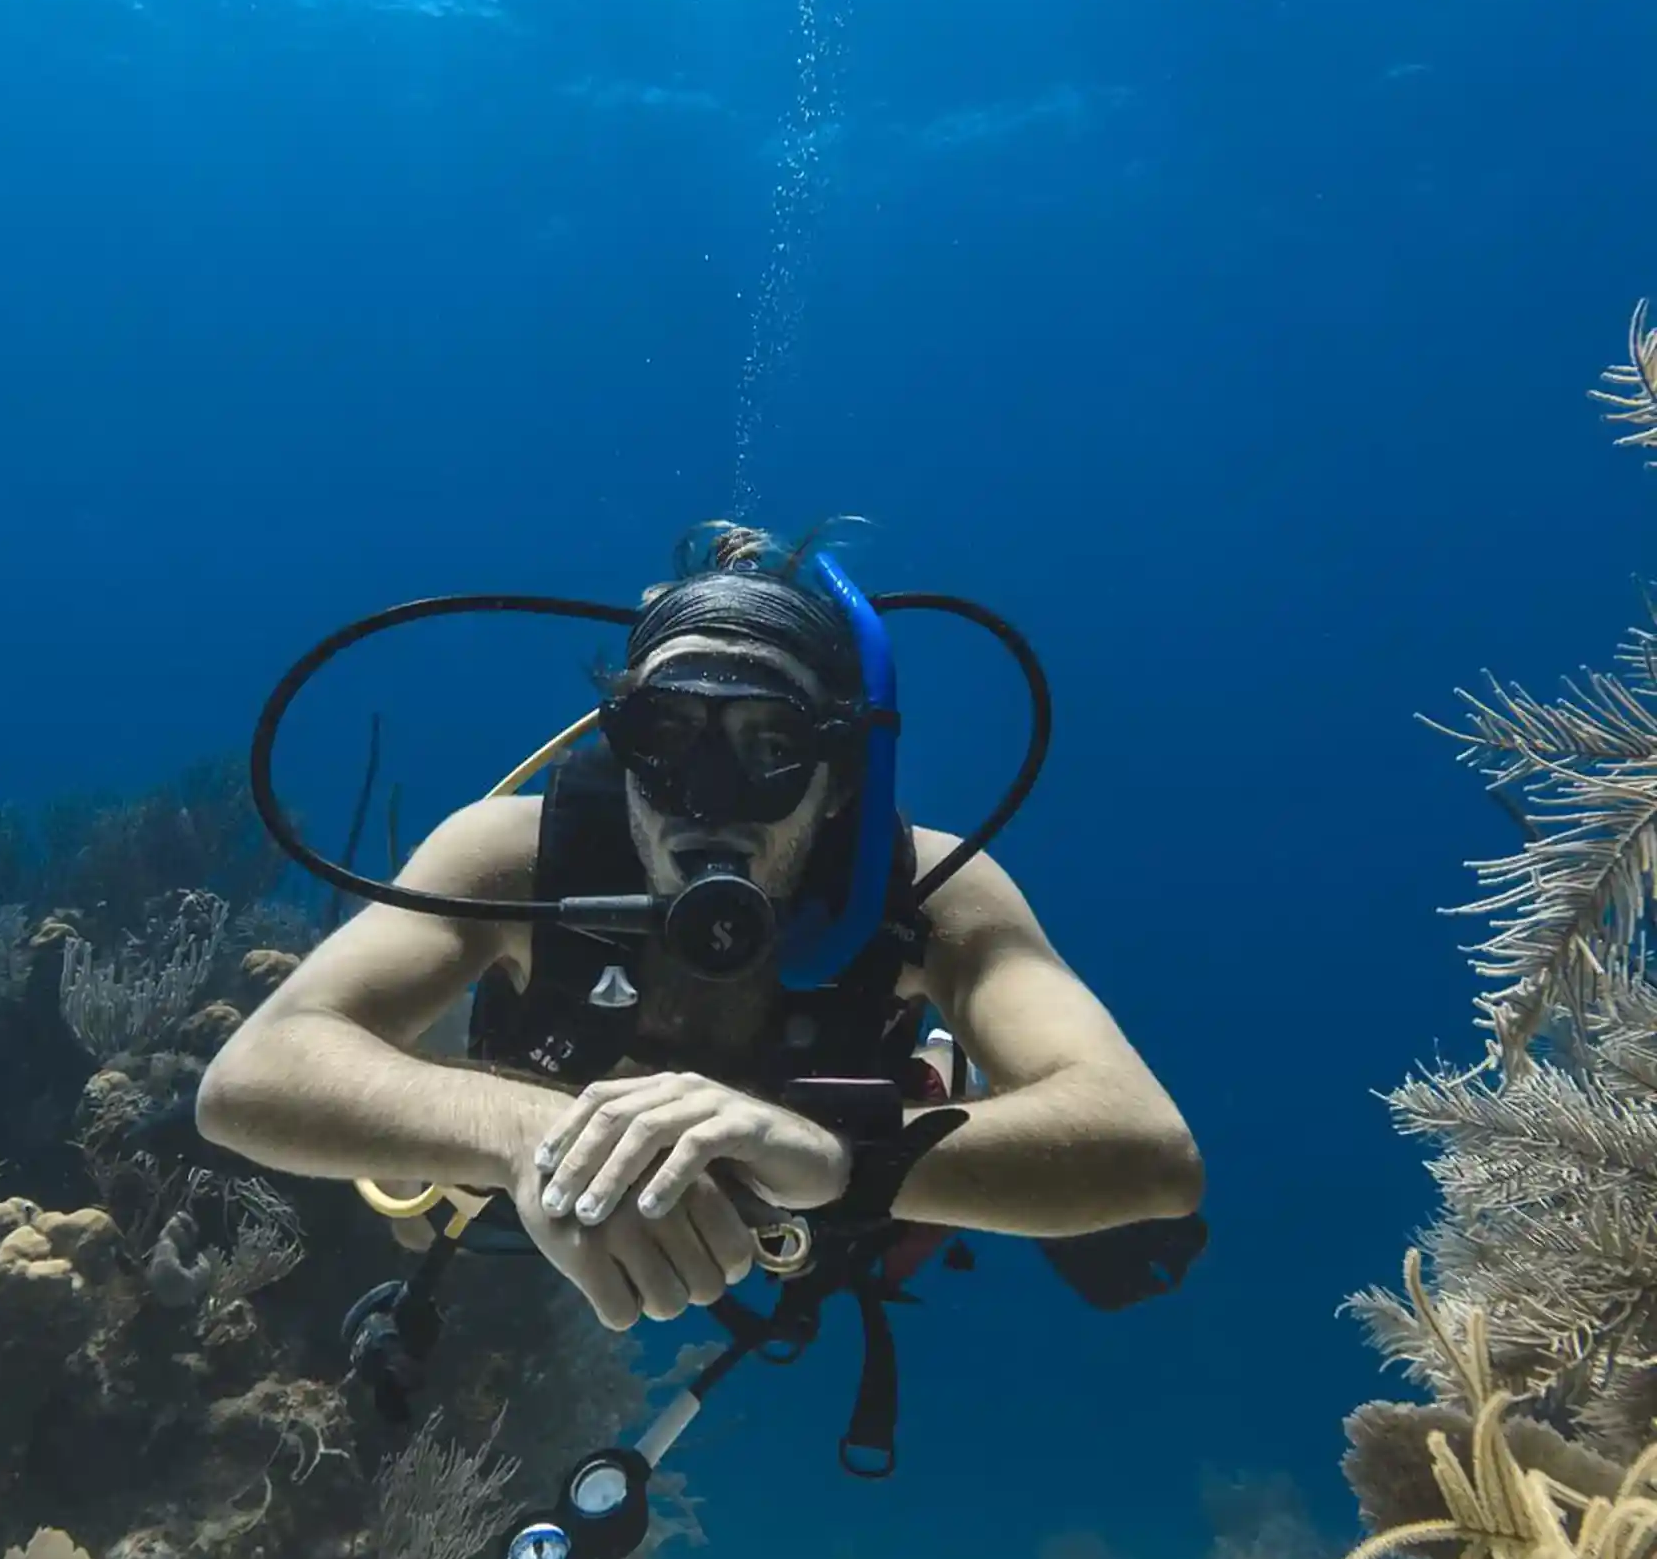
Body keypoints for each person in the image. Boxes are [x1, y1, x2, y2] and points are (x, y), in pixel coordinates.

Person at [197, 526, 1203, 1339]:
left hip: (823, 1213)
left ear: (840, 778)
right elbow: (253, 1077)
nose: (707, 801)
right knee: (429, 1229)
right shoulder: (513, 856)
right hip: (534, 1193)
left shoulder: (928, 890)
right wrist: (527, 1135)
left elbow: (1152, 1148)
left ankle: (942, 1078)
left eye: (770, 748)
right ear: (619, 747)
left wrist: (840, 1157)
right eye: (666, 740)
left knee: (1008, 1209)